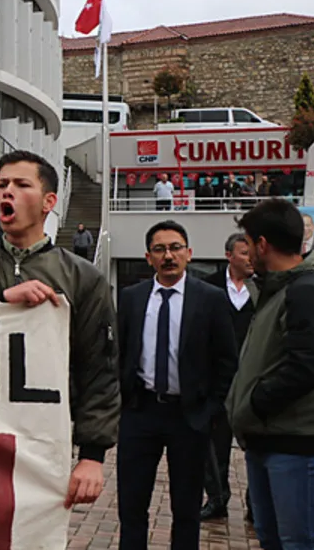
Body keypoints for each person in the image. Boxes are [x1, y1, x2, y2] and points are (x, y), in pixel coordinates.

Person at [0, 151, 119, 512]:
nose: (7, 191)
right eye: (2, 184)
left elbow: (99, 369)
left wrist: (92, 455)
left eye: (21, 184)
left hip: (41, 442)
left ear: (49, 202)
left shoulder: (83, 278)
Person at [116, 221, 236, 549]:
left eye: (175, 248)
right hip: (140, 412)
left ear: (189, 253)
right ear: (148, 257)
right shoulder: (131, 298)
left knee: (186, 507)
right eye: (159, 249)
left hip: (189, 416)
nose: (168, 256)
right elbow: (119, 353)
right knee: (131, 505)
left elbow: (227, 360)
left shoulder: (210, 299)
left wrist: (210, 410)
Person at [228, 198, 314, 550]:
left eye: (248, 243)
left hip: (297, 443)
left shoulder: (305, 289)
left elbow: (305, 367)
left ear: (262, 244)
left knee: (301, 543)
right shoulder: (279, 288)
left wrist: (252, 404)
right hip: (272, 438)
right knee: (274, 540)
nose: (247, 253)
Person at [202, 233, 255, 521]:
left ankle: (256, 505)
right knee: (215, 447)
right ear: (229, 256)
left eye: (251, 253)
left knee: (256, 448)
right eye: (244, 253)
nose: (250, 258)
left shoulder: (262, 289)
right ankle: (217, 499)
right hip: (219, 383)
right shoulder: (209, 288)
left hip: (252, 384)